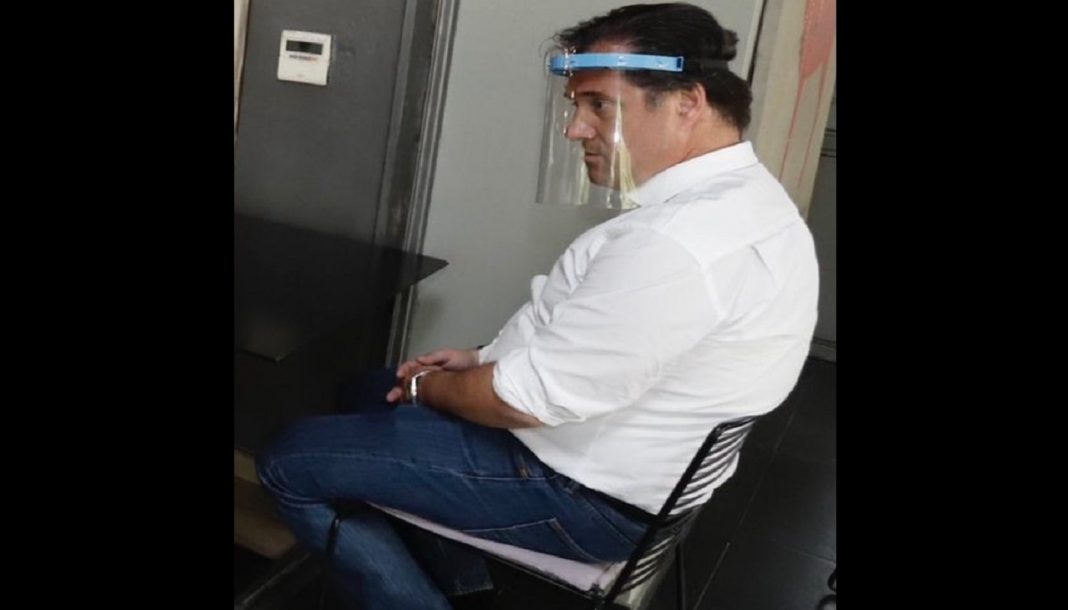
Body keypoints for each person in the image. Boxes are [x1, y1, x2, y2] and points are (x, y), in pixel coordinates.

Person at [257, 4, 819, 609]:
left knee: (289, 460)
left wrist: (429, 388)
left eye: (599, 104)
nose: (575, 129)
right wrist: (481, 358)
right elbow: (600, 346)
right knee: (365, 391)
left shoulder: (678, 244)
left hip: (579, 495)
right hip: (626, 470)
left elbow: (521, 401)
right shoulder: (749, 202)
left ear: (688, 102)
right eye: (576, 105)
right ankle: (470, 588)